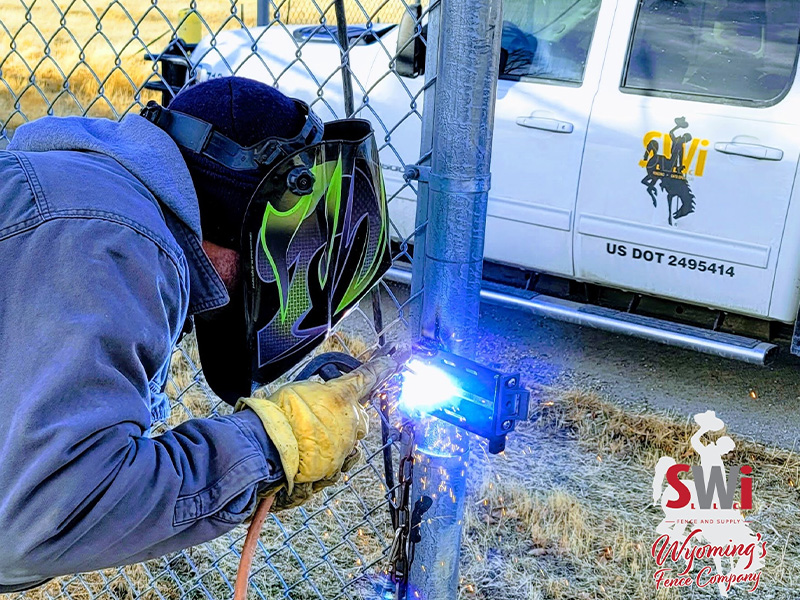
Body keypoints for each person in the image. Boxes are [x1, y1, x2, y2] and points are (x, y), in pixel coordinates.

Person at [0, 76, 394, 592]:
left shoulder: (69, 193)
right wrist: (271, 448)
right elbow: (38, 519)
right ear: (255, 222)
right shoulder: (118, 241)